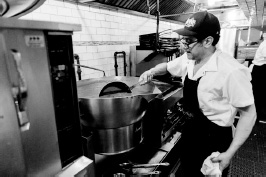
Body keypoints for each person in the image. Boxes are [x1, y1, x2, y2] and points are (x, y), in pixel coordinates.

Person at [139, 11, 256, 177]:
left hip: (214, 139)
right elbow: (167, 66)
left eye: (188, 41)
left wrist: (229, 154)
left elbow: (249, 114)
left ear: (208, 41)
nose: (183, 46)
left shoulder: (231, 71)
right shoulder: (189, 58)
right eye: (182, 40)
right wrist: (151, 71)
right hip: (192, 130)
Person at [250, 34, 266, 123]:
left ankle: (257, 115)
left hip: (261, 69)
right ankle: (255, 117)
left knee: (259, 94)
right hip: (260, 70)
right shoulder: (265, 44)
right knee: (258, 94)